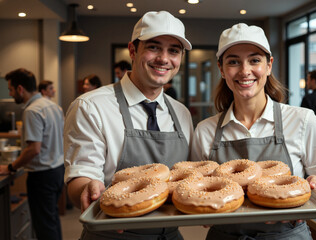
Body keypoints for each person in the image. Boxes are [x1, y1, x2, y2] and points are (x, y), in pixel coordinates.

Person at [191, 23, 316, 240]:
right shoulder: (205, 131)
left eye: (254, 60)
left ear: (269, 65)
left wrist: (305, 203)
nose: (244, 71)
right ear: (221, 69)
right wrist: (202, 212)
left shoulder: (302, 120)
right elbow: (196, 191)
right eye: (233, 62)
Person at [64, 11, 193, 240]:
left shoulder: (181, 113)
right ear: (133, 51)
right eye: (154, 47)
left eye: (173, 50)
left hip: (170, 234)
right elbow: (80, 175)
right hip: (111, 232)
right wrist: (88, 188)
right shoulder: (91, 106)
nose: (164, 58)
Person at [0, 68, 65, 240]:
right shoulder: (53, 106)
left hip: (42, 176)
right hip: (58, 170)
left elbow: (33, 149)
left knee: (44, 227)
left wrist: (10, 167)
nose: (11, 93)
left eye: (11, 89)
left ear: (20, 89)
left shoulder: (31, 111)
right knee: (51, 221)